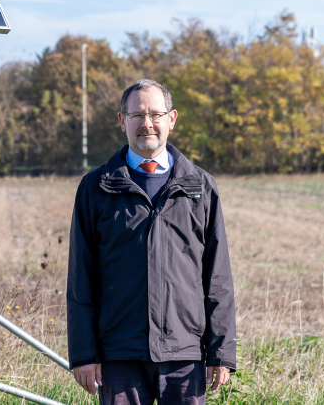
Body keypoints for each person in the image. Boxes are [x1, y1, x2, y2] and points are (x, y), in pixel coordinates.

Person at [66, 79, 236, 405]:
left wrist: (221, 351)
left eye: (155, 114)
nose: (147, 124)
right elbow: (80, 281)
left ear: (171, 119)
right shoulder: (95, 188)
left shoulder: (200, 186)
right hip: (118, 353)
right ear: (122, 121)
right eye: (137, 115)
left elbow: (218, 278)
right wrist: (84, 353)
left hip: (185, 352)